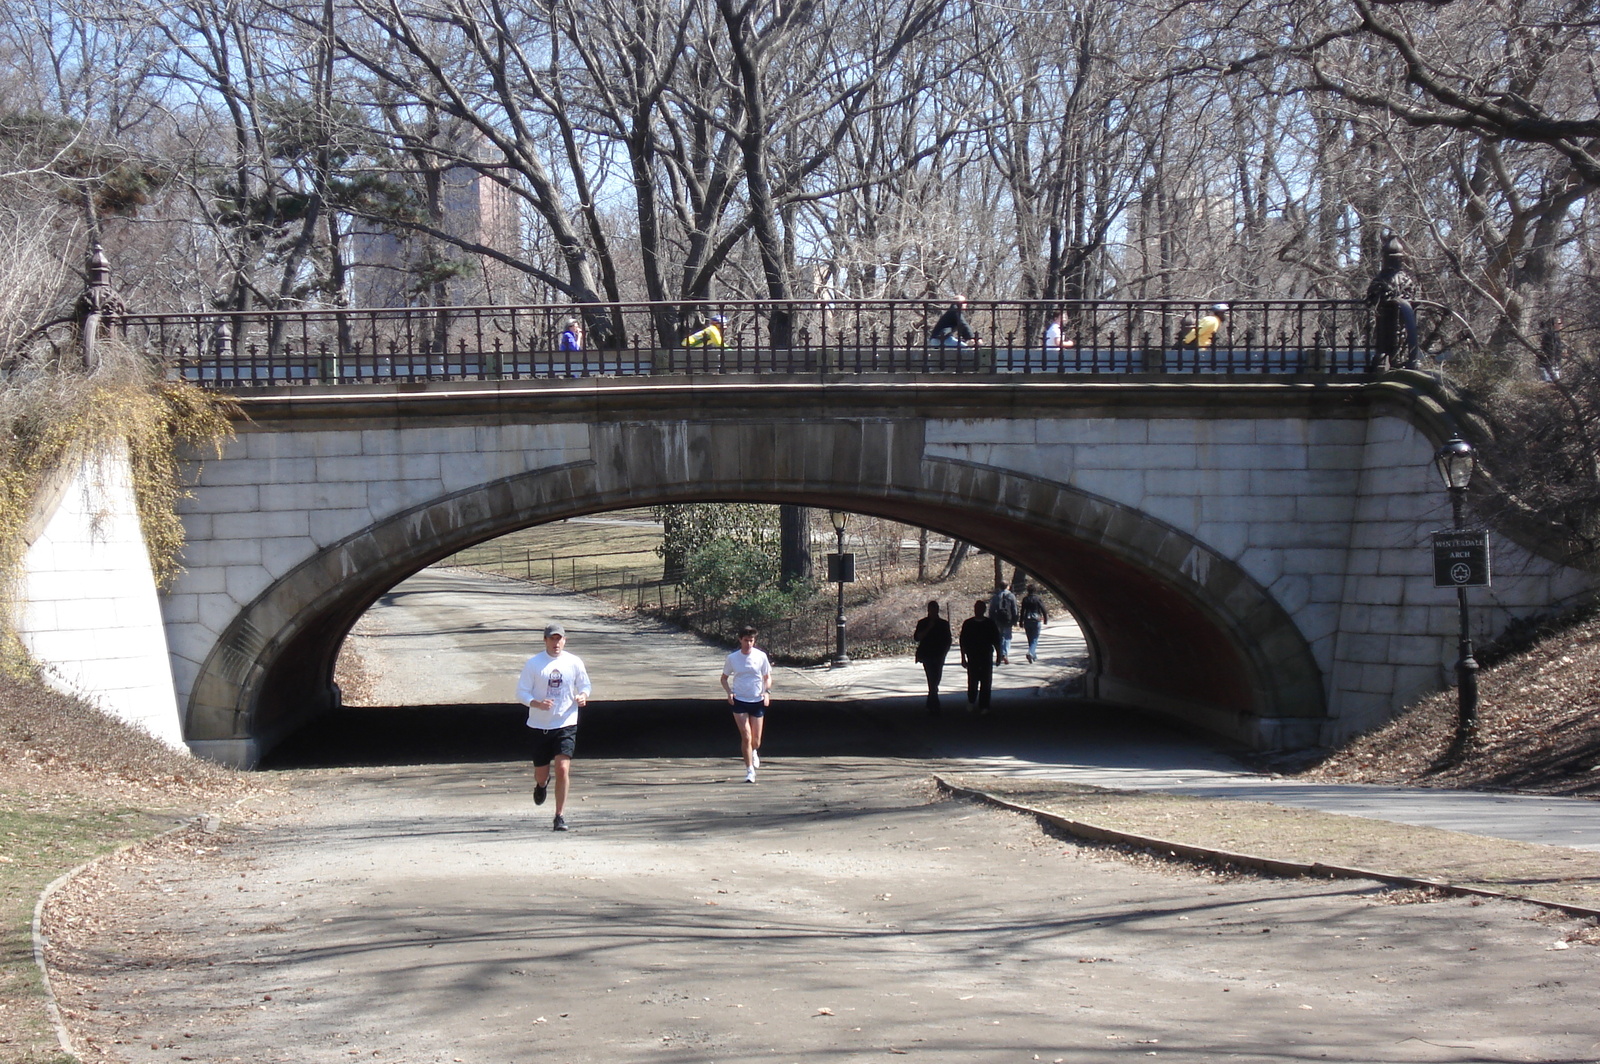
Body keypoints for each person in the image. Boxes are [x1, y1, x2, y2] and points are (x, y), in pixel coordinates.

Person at [515, 623, 592, 832]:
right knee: (541, 773)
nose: (556, 643)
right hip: (539, 725)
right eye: (552, 639)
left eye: (559, 639)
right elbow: (521, 693)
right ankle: (541, 785)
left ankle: (559, 816)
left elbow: (585, 685)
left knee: (562, 768)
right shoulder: (534, 664)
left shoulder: (574, 662)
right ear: (545, 640)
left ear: (564, 641)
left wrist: (583, 696)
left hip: (566, 722)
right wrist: (536, 703)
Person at [721, 625, 772, 782]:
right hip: (740, 700)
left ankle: (754, 751)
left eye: (751, 640)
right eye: (746, 640)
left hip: (756, 699)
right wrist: (729, 692)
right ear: (740, 640)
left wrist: (766, 692)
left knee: (756, 740)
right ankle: (749, 770)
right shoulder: (733, 658)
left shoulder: (761, 656)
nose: (749, 643)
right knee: (746, 736)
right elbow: (724, 678)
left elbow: (767, 677)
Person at [959, 600, 1006, 714]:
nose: (978, 610)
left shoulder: (990, 624)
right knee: (972, 680)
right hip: (972, 656)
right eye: (976, 608)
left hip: (986, 655)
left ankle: (984, 705)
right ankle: (971, 700)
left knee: (986, 681)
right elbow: (963, 642)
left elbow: (996, 640)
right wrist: (963, 657)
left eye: (980, 608)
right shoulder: (968, 624)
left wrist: (999, 655)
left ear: (984, 610)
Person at [912, 600, 953, 715]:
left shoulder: (943, 624)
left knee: (936, 678)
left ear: (937, 610)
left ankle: (931, 702)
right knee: (931, 678)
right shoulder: (923, 623)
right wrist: (928, 628)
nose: (932, 612)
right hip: (927, 655)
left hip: (939, 655)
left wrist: (944, 653)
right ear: (928, 611)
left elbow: (948, 640)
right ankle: (935, 704)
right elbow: (917, 638)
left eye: (934, 610)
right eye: (930, 610)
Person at [988, 580, 1019, 662]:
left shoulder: (996, 596)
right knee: (1007, 636)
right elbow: (1014, 608)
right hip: (1008, 618)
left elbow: (991, 609)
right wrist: (1015, 619)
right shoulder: (1011, 596)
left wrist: (991, 619)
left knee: (1000, 636)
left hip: (998, 619)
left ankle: (1001, 652)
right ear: (1007, 586)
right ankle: (1004, 653)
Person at [1019, 584, 1049, 664]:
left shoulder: (1025, 599)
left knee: (1030, 638)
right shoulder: (1037, 599)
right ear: (1035, 590)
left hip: (1027, 620)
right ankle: (1031, 653)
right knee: (1035, 638)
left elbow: (1022, 611)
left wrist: (1021, 621)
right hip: (1036, 620)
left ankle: (1033, 656)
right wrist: (1045, 619)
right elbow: (1043, 609)